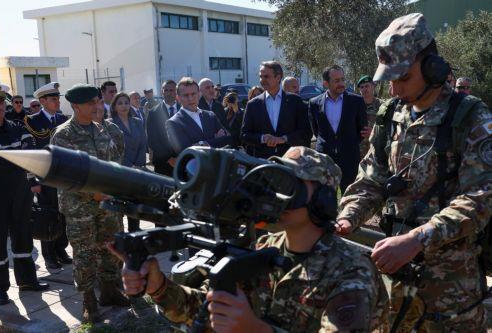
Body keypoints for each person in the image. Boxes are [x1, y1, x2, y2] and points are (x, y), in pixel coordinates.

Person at [110, 146, 389, 332]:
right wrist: (158, 287)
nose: (275, 193)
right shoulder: (265, 248)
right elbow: (207, 310)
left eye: (289, 184)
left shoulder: (350, 270)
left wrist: (255, 329)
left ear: (323, 199)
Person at [336, 13, 491, 332]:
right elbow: (371, 180)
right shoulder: (391, 115)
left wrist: (418, 239)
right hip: (397, 289)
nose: (393, 88)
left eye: (403, 77)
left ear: (433, 67)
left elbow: (480, 199)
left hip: (452, 298)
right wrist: (348, 217)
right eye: (389, 78)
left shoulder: (472, 117)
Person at [51, 84, 129, 323]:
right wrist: (92, 194)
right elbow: (64, 175)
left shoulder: (103, 130)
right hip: (80, 208)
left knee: (111, 247)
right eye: (91, 103)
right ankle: (89, 301)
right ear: (75, 106)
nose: (97, 106)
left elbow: (115, 163)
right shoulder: (63, 134)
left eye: (97, 101)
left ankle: (109, 291)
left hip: (107, 205)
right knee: (84, 254)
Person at [0, 84, 49, 306]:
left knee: (23, 235)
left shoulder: (18, 128)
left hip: (21, 192)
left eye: (0, 103)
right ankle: (0, 289)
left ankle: (27, 281)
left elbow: (29, 157)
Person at [24, 82, 71, 270]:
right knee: (48, 216)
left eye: (58, 98)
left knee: (63, 215)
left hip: (63, 176)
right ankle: (49, 254)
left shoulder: (63, 119)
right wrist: (32, 180)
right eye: (53, 99)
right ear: (42, 101)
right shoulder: (32, 121)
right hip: (44, 176)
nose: (57, 101)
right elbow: (30, 153)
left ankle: (61, 249)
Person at [308, 65, 368, 193]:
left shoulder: (356, 101)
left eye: (342, 79)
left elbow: (361, 130)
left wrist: (347, 143)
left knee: (350, 195)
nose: (341, 83)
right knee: (325, 198)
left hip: (350, 157)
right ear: (326, 83)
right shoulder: (314, 103)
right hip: (325, 158)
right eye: (336, 81)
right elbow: (316, 130)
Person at [241, 61, 311, 159]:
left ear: (278, 77)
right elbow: (244, 135)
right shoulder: (253, 104)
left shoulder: (295, 101)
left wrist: (283, 139)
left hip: (291, 162)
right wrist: (263, 138)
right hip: (263, 164)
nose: (262, 80)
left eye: (266, 77)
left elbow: (305, 132)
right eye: (261, 76)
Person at [166, 77, 232, 156]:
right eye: (186, 95)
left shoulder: (210, 115)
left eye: (193, 94)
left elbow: (227, 139)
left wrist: (201, 144)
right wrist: (215, 140)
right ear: (178, 98)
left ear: (199, 94)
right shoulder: (173, 123)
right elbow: (186, 152)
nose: (190, 98)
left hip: (216, 166)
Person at [109, 92, 147, 232]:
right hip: (120, 171)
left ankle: (134, 234)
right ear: (114, 106)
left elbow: (143, 144)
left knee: (134, 206)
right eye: (120, 103)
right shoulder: (110, 124)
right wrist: (129, 165)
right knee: (119, 206)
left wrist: (138, 165)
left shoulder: (137, 121)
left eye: (126, 102)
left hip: (137, 170)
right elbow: (114, 150)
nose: (124, 106)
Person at [147, 80, 180, 176]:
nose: (169, 93)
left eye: (172, 90)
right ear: (162, 92)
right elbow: (152, 140)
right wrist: (169, 158)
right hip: (163, 163)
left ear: (176, 91)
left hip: (183, 160)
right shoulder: (153, 113)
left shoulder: (184, 110)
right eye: (166, 90)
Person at [93, 88, 124, 160]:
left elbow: (121, 157)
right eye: (91, 104)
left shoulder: (113, 128)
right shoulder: (72, 132)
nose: (97, 107)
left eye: (99, 102)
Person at [357, 75, 383, 158]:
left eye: (367, 86)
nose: (364, 89)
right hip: (358, 150)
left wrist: (373, 133)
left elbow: (388, 129)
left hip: (376, 149)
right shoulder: (354, 105)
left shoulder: (382, 106)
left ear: (373, 87)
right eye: (362, 87)